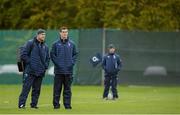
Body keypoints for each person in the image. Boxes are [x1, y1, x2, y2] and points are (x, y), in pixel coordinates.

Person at [18, 29, 50, 109]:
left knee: (37, 90)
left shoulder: (45, 46)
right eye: (42, 34)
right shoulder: (30, 43)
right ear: (37, 35)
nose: (43, 36)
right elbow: (23, 55)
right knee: (26, 88)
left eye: (44, 34)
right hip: (30, 71)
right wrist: (31, 63)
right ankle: (21, 104)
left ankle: (34, 105)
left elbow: (47, 58)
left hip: (40, 72)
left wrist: (45, 66)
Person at [50, 26, 78, 109]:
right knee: (57, 89)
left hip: (69, 71)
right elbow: (52, 55)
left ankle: (67, 105)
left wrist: (71, 63)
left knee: (67, 90)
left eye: (66, 32)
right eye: (63, 32)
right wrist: (58, 63)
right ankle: (56, 105)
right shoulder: (55, 44)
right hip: (58, 71)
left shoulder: (72, 44)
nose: (65, 33)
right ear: (60, 33)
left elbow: (75, 54)